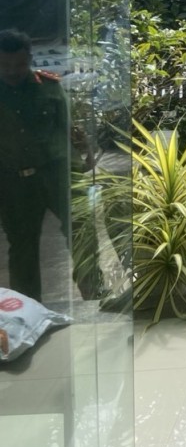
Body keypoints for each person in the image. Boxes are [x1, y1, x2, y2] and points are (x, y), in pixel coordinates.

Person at [0, 28, 104, 301]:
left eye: (20, 64)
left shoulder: (49, 86)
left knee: (82, 229)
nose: (13, 70)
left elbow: (68, 130)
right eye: (6, 64)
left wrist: (84, 160)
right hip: (13, 182)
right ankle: (29, 308)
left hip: (59, 173)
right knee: (22, 246)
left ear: (29, 59)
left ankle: (94, 295)